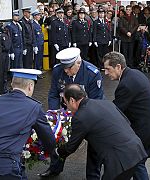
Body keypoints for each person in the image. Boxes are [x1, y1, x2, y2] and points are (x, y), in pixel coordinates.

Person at [103, 51, 150, 180]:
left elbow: (116, 111)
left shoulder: (126, 84)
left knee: (135, 162)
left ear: (118, 67)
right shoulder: (135, 73)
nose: (106, 73)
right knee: (137, 162)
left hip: (144, 130)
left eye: (108, 69)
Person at [54, 84, 147, 180]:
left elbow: (71, 147)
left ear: (72, 100)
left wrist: (57, 151)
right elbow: (126, 122)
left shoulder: (80, 117)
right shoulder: (106, 103)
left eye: (66, 103)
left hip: (120, 160)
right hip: (137, 149)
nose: (67, 108)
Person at [0, 69, 56, 180]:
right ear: (30, 86)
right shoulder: (33, 107)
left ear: (13, 84)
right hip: (5, 167)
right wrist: (51, 151)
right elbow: (48, 138)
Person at [42, 47, 104, 178]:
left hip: (89, 114)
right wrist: (56, 114)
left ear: (78, 62)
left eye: (69, 68)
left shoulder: (92, 73)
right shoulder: (58, 70)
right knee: (58, 137)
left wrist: (78, 117)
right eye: (64, 67)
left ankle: (93, 176)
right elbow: (53, 94)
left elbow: (95, 101)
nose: (66, 71)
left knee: (94, 143)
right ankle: (55, 168)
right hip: (66, 110)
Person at [31, 9, 44, 77]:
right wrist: (35, 45)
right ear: (34, 16)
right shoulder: (33, 24)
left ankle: (39, 70)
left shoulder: (37, 24)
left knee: (40, 58)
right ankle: (37, 72)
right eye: (38, 15)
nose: (39, 16)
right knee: (37, 59)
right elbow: (34, 36)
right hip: (38, 44)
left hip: (41, 43)